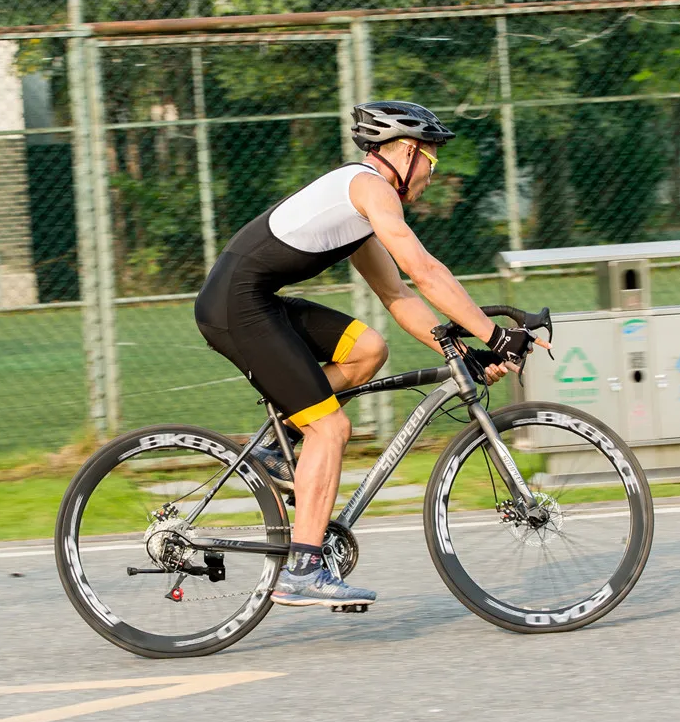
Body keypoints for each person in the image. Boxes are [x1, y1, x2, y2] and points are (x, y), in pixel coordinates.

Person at [194, 101, 533, 608]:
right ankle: (302, 570)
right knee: (330, 429)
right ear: (409, 152)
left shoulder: (360, 208)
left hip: (253, 300)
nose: (433, 175)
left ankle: (274, 448)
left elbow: (399, 298)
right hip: (235, 308)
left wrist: (462, 349)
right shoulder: (369, 188)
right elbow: (425, 270)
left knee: (367, 349)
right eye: (433, 162)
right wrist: (493, 334)